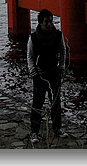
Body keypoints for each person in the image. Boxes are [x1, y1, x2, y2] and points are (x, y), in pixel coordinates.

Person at [28, 8, 67, 142]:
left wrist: (61, 67)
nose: (49, 24)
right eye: (46, 22)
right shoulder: (33, 38)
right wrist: (33, 72)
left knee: (56, 102)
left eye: (51, 21)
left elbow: (63, 51)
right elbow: (30, 56)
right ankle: (34, 132)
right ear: (40, 23)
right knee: (37, 103)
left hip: (54, 72)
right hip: (39, 74)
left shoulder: (58, 36)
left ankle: (58, 128)